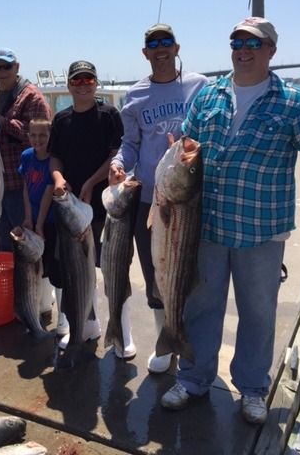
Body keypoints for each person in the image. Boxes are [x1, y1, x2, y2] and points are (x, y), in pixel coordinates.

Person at [160, 17, 300, 424]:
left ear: (271, 50)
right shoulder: (209, 95)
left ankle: (253, 388)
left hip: (261, 232)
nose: (244, 51)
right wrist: (177, 153)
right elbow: (186, 142)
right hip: (205, 228)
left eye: (254, 44)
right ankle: (192, 378)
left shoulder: (295, 102)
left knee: (258, 314)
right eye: (237, 43)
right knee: (200, 307)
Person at [109, 23, 207, 365]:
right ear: (145, 53)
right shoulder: (135, 96)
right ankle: (165, 338)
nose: (160, 48)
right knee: (156, 272)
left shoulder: (200, 86)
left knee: (191, 272)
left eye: (167, 42)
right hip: (150, 200)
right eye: (153, 44)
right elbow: (130, 143)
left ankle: (188, 338)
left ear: (177, 48)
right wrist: (119, 163)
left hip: (192, 200)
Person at [49, 60, 124, 347]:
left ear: (96, 84)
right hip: (70, 206)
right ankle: (85, 324)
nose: (83, 86)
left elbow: (116, 155)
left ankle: (120, 331)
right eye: (77, 81)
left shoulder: (109, 115)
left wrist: (92, 183)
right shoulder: (61, 120)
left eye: (88, 80)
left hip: (104, 204)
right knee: (73, 269)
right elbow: (55, 158)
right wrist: (58, 178)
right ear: (69, 85)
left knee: (110, 267)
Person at [0, 48, 51, 252]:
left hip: (24, 188)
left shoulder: (32, 97)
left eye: (7, 66)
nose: (2, 71)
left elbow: (41, 138)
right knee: (4, 246)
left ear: (16, 67)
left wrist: (6, 124)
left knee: (27, 247)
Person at [18, 118, 68, 334]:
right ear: (28, 136)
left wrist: (38, 224)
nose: (37, 139)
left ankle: (64, 318)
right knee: (39, 267)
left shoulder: (53, 161)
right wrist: (28, 218)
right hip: (34, 220)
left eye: (43, 135)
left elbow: (48, 192)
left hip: (51, 221)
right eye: (33, 135)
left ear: (50, 137)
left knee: (57, 268)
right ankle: (44, 306)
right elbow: (26, 189)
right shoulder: (26, 156)